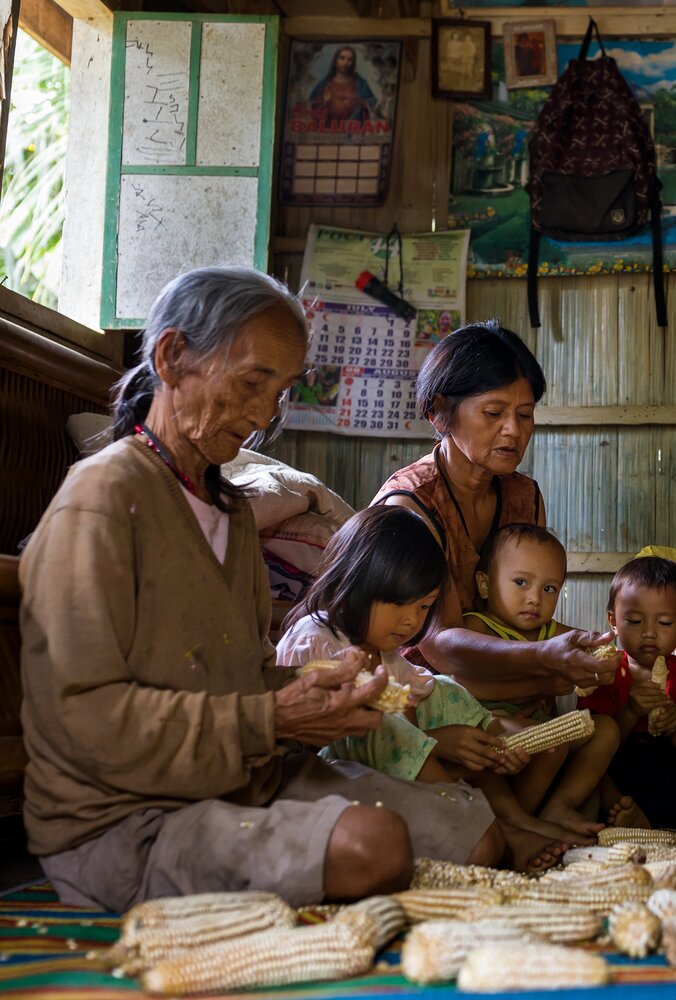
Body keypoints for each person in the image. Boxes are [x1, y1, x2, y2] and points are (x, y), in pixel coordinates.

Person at [18, 266, 510, 912]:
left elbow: (244, 676)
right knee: (375, 846)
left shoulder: (230, 510)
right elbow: (84, 721)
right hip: (127, 823)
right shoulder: (104, 499)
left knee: (474, 831)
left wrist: (317, 697)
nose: (261, 416)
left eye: (279, 393)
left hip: (240, 781)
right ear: (171, 358)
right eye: (253, 382)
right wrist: (270, 717)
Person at [376, 321, 613, 737]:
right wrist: (544, 660)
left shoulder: (523, 496)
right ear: (439, 411)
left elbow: (526, 620)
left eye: (525, 415)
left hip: (510, 684)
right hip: (426, 699)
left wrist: (586, 646)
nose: (514, 430)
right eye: (493, 413)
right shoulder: (412, 505)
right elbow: (439, 646)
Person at [276, 508, 542, 816]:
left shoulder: (386, 655)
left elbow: (410, 722)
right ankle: (477, 822)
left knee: (443, 691)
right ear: (356, 582)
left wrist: (454, 744)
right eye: (400, 603)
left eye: (424, 607)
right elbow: (310, 742)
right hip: (329, 780)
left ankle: (507, 816)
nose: (411, 621)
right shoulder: (315, 640)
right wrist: (434, 744)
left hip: (393, 772)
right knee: (381, 724)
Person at [463, 523, 621, 838]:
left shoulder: (550, 632)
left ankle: (558, 806)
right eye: (521, 582)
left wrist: (603, 659)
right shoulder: (476, 629)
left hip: (540, 731)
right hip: (490, 727)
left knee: (605, 729)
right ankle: (517, 822)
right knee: (553, 741)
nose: (534, 598)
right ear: (484, 584)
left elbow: (586, 645)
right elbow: (462, 682)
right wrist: (540, 684)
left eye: (549, 589)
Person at [581, 557, 676, 829]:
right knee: (589, 769)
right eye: (634, 621)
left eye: (665, 623)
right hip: (618, 773)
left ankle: (644, 820)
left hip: (668, 780)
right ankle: (621, 810)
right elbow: (592, 747)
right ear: (613, 621)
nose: (648, 633)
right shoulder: (601, 674)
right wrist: (630, 711)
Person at [309, 46, 378, 123]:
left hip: (354, 130)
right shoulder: (323, 85)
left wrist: (362, 102)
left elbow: (374, 103)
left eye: (350, 60)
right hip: (329, 130)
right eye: (342, 58)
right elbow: (312, 109)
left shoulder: (360, 83)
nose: (345, 63)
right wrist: (324, 102)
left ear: (353, 63)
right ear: (335, 60)